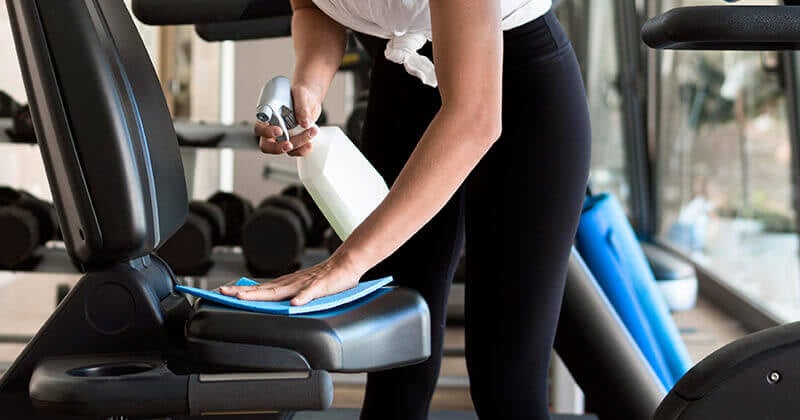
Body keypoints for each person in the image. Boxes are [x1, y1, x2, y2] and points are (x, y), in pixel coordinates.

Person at [220, 0, 591, 418]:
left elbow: (474, 118)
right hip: (402, 88)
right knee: (395, 369)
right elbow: (313, 6)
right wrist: (309, 86)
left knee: (504, 382)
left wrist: (347, 262)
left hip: (515, 94)